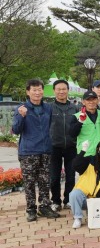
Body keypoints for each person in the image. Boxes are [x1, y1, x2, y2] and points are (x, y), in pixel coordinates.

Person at [12, 79, 60, 221]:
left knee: (45, 180)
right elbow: (15, 130)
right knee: (30, 182)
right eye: (34, 90)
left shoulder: (48, 108)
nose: (37, 92)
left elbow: (49, 126)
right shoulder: (22, 108)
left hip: (45, 150)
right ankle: (31, 209)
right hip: (28, 151)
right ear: (28, 92)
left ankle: (44, 207)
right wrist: (21, 116)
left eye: (39, 89)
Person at [69, 139, 100, 229]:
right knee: (74, 194)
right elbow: (75, 165)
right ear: (98, 150)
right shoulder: (90, 160)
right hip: (87, 199)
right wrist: (83, 150)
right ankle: (78, 218)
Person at [49, 79, 80, 212]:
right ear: (54, 91)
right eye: (59, 89)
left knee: (71, 176)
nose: (61, 91)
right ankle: (55, 201)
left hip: (71, 147)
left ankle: (68, 200)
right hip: (53, 146)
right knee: (54, 177)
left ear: (68, 90)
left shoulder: (75, 108)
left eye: (64, 89)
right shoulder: (49, 108)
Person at [71, 90, 100, 158]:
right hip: (85, 153)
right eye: (88, 100)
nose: (91, 102)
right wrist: (80, 122)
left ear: (97, 100)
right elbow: (72, 134)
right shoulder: (76, 116)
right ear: (83, 102)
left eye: (94, 99)